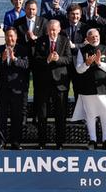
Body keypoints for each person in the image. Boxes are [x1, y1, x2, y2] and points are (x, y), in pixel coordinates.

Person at [72, 28, 106, 150]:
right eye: (92, 36)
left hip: (103, 88)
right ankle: (93, 140)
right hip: (87, 88)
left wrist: (99, 63)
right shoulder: (82, 50)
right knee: (90, 115)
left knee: (104, 113)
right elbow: (78, 69)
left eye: (96, 36)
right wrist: (87, 64)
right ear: (87, 38)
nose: (95, 38)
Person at [33, 19, 72, 149]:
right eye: (50, 29)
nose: (52, 32)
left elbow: (69, 59)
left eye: (54, 29)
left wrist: (58, 59)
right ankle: (42, 142)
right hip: (43, 84)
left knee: (60, 115)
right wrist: (47, 60)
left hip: (60, 84)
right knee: (42, 115)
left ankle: (60, 143)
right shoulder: (40, 40)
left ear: (59, 29)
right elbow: (36, 59)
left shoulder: (64, 41)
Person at [0, 28, 30, 150]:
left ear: (16, 37)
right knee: (1, 118)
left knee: (17, 118)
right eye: (8, 36)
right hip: (2, 89)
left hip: (17, 90)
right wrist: (2, 59)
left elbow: (26, 66)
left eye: (12, 36)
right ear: (5, 37)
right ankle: (1, 142)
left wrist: (15, 59)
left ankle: (16, 142)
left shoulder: (22, 50)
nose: (10, 39)